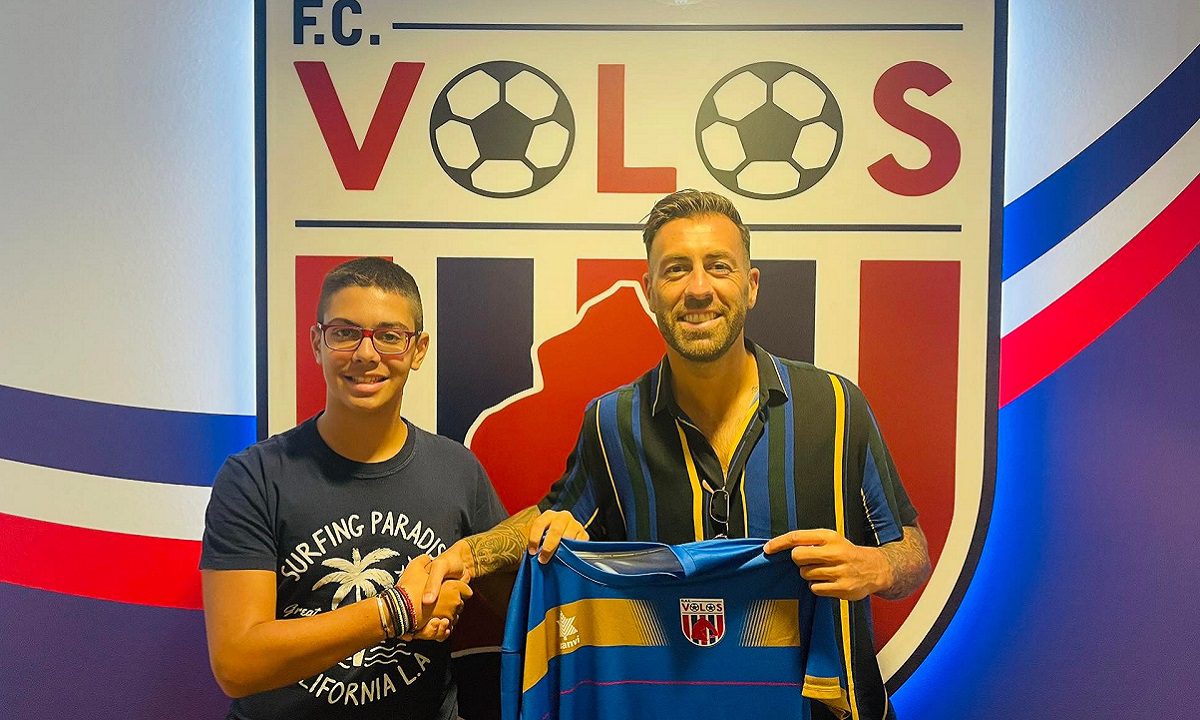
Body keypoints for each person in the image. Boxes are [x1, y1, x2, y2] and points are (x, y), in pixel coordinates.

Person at [426, 190, 932, 719]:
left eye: (719, 266)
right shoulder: (613, 421)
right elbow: (551, 521)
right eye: (676, 270)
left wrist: (876, 566)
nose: (698, 289)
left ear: (751, 285)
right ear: (649, 291)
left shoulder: (836, 405)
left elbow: (912, 551)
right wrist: (466, 557)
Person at [200, 257, 509, 720]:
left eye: (390, 336)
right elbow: (237, 664)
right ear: (317, 343)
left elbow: (521, 598)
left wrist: (550, 529)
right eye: (345, 333)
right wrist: (398, 612)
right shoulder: (254, 477)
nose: (366, 354)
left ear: (418, 350)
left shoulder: (457, 470)